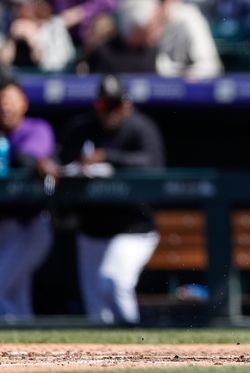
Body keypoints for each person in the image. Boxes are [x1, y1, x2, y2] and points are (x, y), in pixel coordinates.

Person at [59, 74, 164, 324]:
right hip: (91, 229)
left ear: (127, 104)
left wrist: (108, 157)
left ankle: (135, 343)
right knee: (96, 308)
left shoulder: (140, 127)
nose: (108, 112)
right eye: (103, 105)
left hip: (133, 228)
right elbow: (61, 160)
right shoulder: (81, 127)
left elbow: (153, 164)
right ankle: (106, 360)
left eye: (114, 105)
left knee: (113, 282)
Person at [0, 80, 57, 320]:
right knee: (16, 293)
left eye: (11, 102)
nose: (6, 108)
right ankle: (25, 352)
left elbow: (27, 159)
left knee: (2, 286)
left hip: (31, 226)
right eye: (2, 103)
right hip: (4, 227)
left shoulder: (37, 128)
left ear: (24, 103)